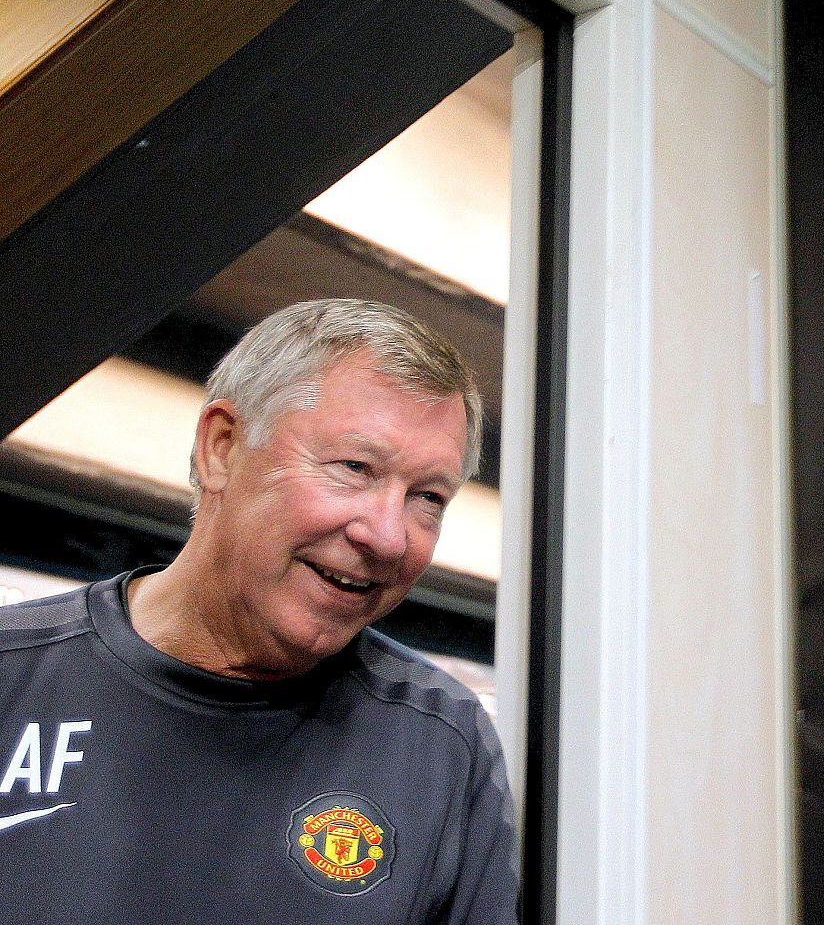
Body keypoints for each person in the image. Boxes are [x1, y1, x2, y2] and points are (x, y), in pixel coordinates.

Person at [0, 299, 518, 922]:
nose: (388, 535)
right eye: (354, 468)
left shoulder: (437, 745)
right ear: (222, 447)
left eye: (427, 497)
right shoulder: (15, 677)